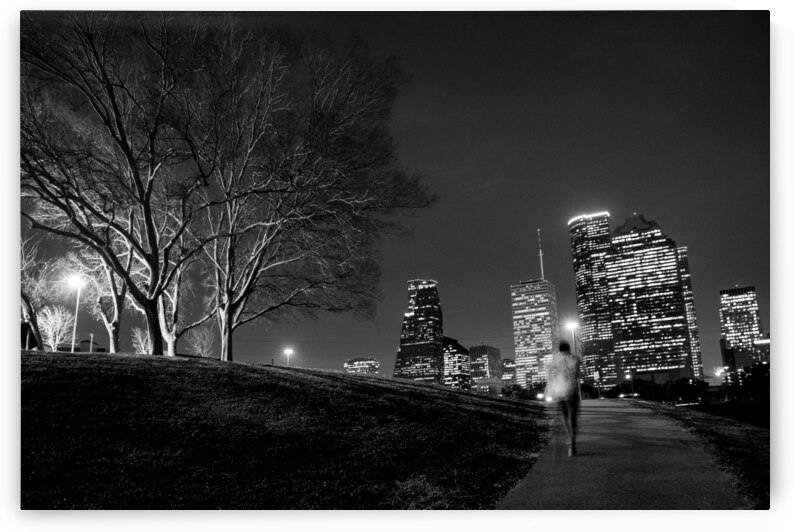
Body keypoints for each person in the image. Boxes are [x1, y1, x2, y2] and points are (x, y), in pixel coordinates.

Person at [544, 341, 581, 457]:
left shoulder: (557, 360)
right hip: (572, 391)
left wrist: (553, 378)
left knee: (564, 416)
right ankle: (573, 446)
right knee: (573, 418)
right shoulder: (574, 359)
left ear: (559, 350)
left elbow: (548, 369)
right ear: (569, 349)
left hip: (560, 391)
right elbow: (577, 374)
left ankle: (569, 435)